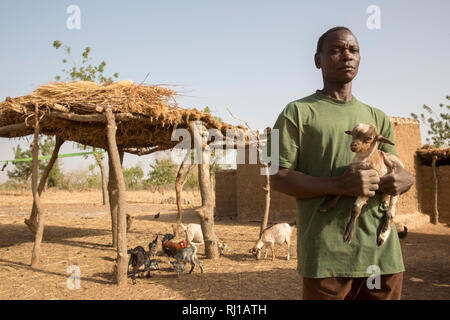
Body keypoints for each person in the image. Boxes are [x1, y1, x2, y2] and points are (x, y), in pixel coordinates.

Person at [263, 26, 414, 300]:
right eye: (336, 50)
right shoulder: (296, 112)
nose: (347, 55)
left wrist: (407, 179)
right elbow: (276, 175)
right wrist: (339, 185)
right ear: (317, 60)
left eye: (353, 50)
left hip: (383, 258)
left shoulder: (377, 117)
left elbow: (397, 169)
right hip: (328, 259)